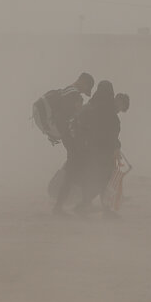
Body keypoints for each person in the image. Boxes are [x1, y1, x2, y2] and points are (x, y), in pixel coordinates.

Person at [73, 80, 123, 216]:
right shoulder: (109, 110)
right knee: (106, 179)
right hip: (106, 151)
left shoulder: (91, 106)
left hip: (91, 149)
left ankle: (85, 204)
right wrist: (116, 147)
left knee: (92, 177)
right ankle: (103, 208)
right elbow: (113, 131)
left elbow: (82, 126)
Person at [48, 75, 94, 215]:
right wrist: (79, 111)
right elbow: (70, 118)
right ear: (83, 82)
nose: (83, 93)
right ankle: (62, 206)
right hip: (71, 139)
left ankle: (82, 203)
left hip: (69, 138)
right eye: (86, 88)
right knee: (75, 169)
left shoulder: (67, 92)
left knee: (77, 168)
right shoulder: (71, 93)